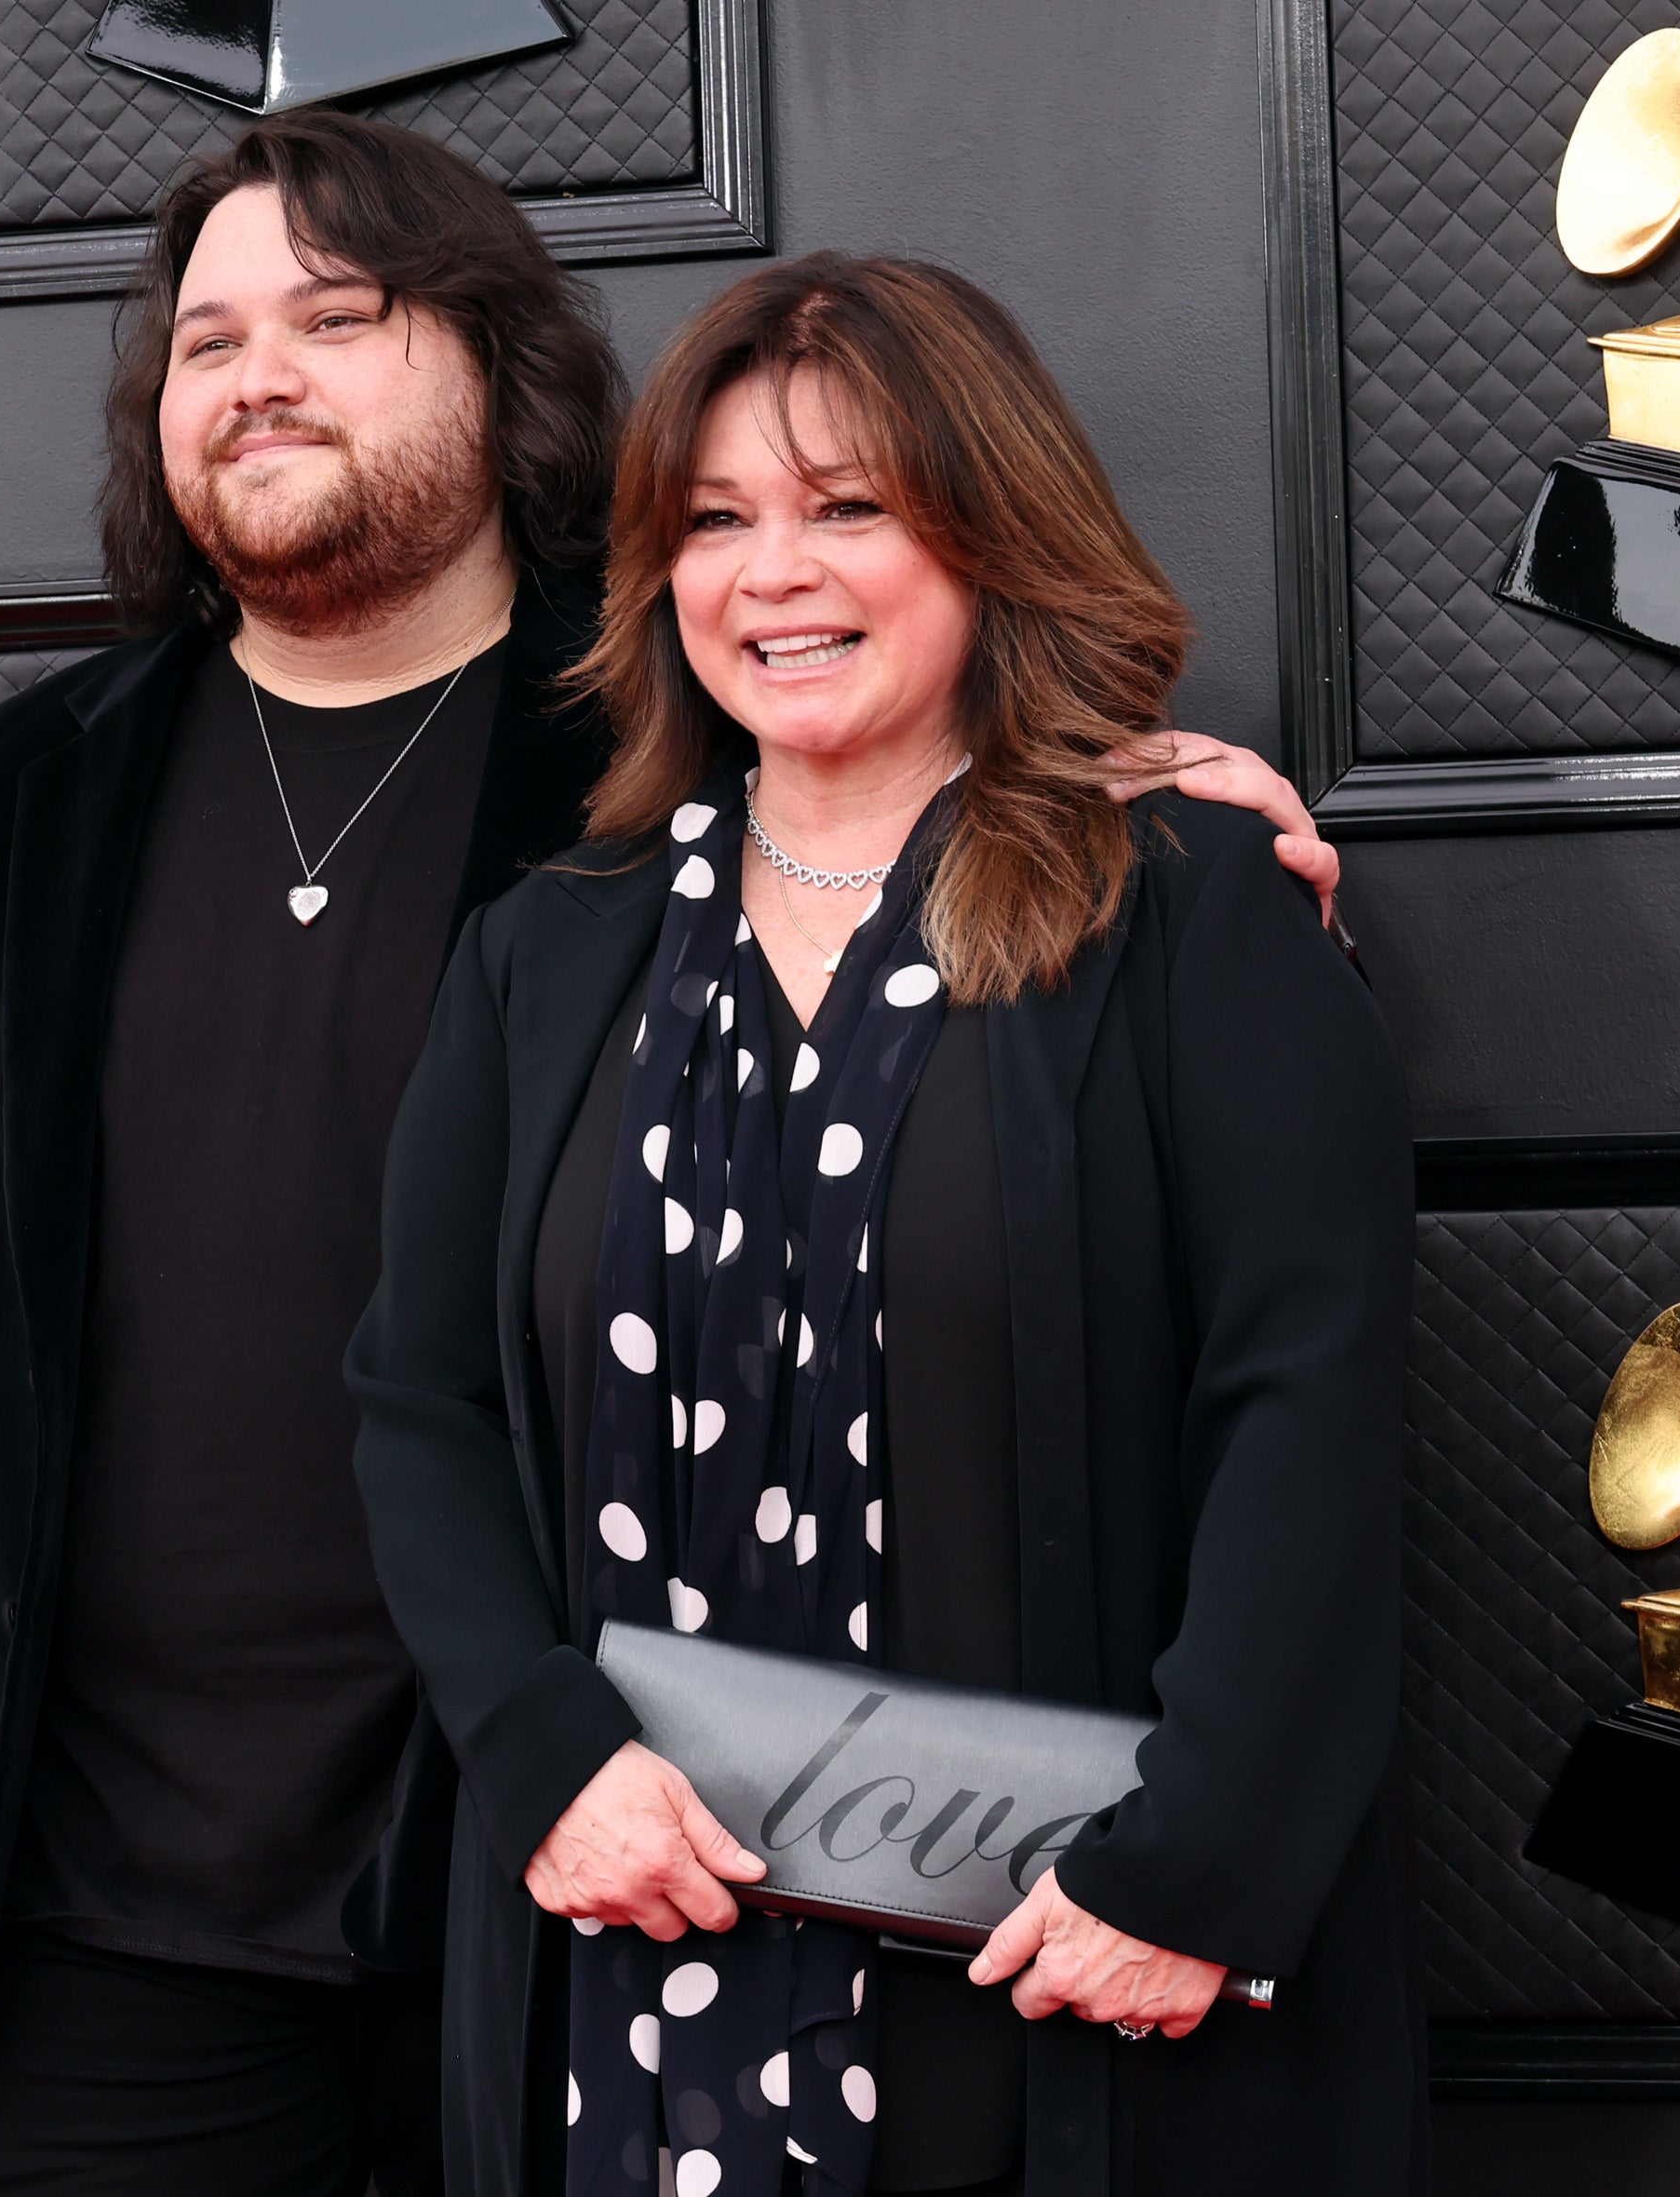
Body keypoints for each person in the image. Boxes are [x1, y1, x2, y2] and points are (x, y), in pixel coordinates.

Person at [0, 115, 1346, 2195]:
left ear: (498, 366)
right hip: (118, 1894)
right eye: (202, 339)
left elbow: (929, 767)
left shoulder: (661, 753)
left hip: (568, 1880)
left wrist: (1136, 793)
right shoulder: (12, 798)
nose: (253, 374)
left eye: (333, 315)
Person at [343, 252, 1423, 2197]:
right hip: (636, 1983)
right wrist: (540, 1751)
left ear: (991, 537)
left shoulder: (1185, 904)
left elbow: (1310, 1407)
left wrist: (1200, 1863)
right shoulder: (545, 954)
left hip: (1088, 1987)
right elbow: (420, 1402)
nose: (774, 573)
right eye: (716, 520)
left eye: (850, 508)